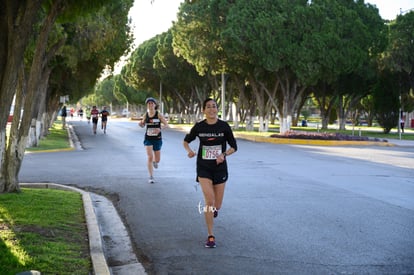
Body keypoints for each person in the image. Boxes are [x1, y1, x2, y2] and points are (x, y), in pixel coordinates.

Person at [183, 98, 238, 248]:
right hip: (203, 167)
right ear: (203, 110)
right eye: (208, 107)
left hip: (220, 168)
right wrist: (189, 151)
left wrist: (224, 154)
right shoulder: (199, 127)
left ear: (217, 109)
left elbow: (234, 146)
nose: (211, 109)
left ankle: (214, 210)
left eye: (214, 106)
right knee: (209, 201)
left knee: (217, 205)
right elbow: (186, 141)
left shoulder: (224, 126)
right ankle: (210, 236)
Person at [139, 97, 169, 183]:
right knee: (150, 156)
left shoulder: (158, 114)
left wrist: (160, 129)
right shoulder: (146, 115)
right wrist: (140, 124)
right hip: (148, 138)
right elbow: (142, 125)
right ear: (147, 105)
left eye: (152, 103)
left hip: (157, 139)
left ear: (155, 105)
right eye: (149, 103)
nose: (150, 105)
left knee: (157, 159)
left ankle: (155, 162)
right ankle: (151, 176)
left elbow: (166, 125)